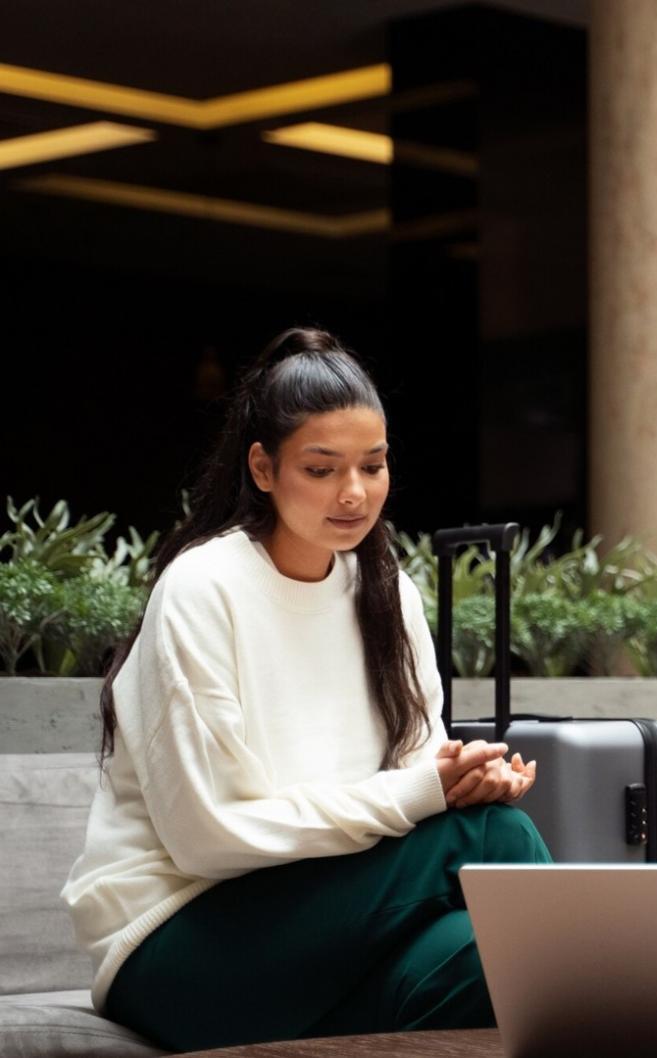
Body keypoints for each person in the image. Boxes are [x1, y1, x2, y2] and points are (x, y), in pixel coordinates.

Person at [61, 327, 549, 1052]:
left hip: (324, 936)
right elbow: (209, 837)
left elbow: (418, 772)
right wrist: (430, 797)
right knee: (496, 837)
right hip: (179, 945)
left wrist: (462, 780)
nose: (354, 494)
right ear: (263, 468)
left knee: (495, 962)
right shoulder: (204, 588)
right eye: (321, 470)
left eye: (373, 466)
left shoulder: (389, 595)